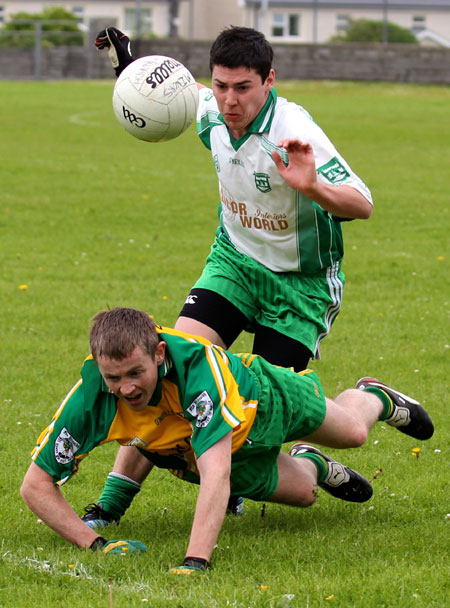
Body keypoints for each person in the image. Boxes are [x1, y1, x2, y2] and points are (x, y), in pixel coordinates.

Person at [87, 25, 374, 525]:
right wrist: (127, 62)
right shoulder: (214, 113)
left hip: (299, 285)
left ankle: (362, 409)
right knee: (168, 367)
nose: (229, 100)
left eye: (243, 88)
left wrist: (313, 187)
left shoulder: (293, 130)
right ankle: (111, 505)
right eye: (221, 86)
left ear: (269, 81)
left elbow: (362, 203)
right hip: (235, 263)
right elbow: (171, 92)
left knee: (255, 417)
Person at [21, 307, 434, 573]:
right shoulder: (92, 396)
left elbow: (215, 474)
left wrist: (195, 562)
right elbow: (35, 485)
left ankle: (374, 396)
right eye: (114, 377)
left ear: (160, 354)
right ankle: (315, 464)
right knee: (306, 492)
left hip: (264, 398)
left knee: (354, 433)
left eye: (135, 374)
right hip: (215, 446)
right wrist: (95, 544)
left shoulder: (197, 371)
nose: (125, 387)